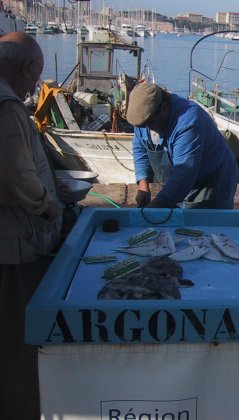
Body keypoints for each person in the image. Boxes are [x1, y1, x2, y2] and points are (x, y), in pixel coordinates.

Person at [0, 32, 63, 420]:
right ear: (26, 69)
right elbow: (16, 176)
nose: (34, 90)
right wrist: (48, 207)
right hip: (14, 245)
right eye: (35, 79)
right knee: (17, 340)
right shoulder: (8, 108)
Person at [126, 82, 239, 209]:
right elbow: (140, 147)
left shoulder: (189, 122)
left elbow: (183, 174)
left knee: (206, 225)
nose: (146, 127)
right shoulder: (145, 116)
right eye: (142, 125)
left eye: (149, 123)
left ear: (163, 108)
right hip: (183, 177)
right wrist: (143, 185)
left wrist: (152, 209)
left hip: (212, 179)